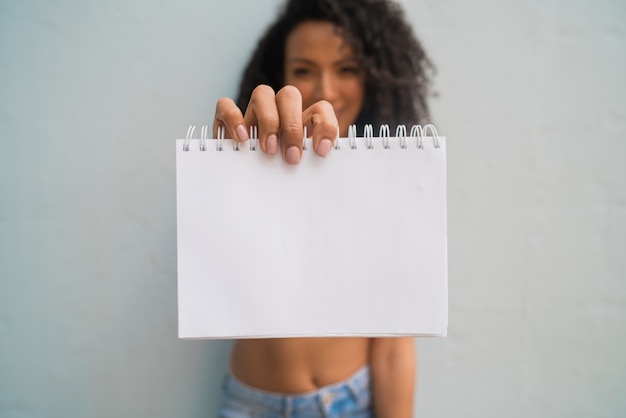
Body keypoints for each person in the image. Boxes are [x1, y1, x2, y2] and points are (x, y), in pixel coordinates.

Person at [212, 0, 434, 416]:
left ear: (373, 78)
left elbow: (393, 349)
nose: (326, 91)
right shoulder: (254, 163)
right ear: (279, 77)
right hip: (250, 405)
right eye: (303, 70)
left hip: (352, 402)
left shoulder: (393, 183)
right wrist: (232, 158)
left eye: (347, 69)